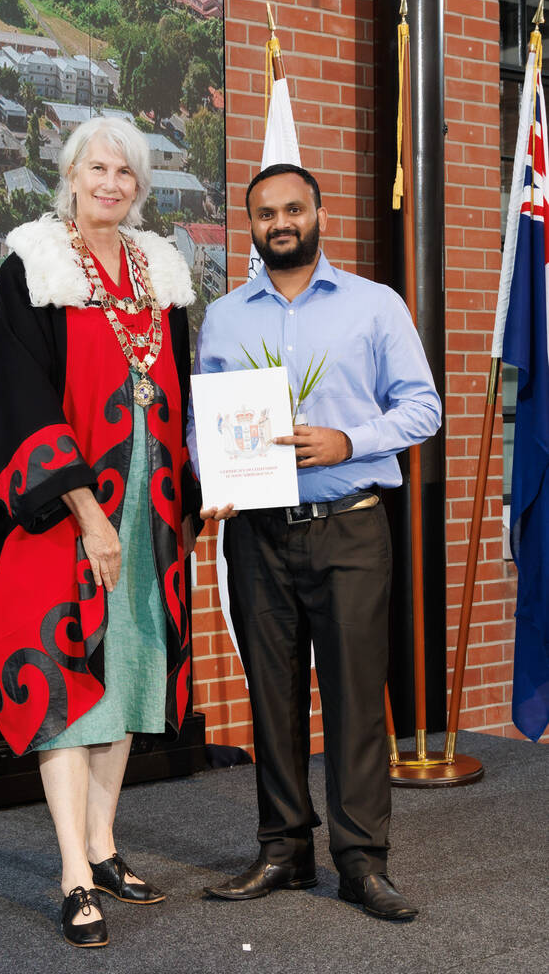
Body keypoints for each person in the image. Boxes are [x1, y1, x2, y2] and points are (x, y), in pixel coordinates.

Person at [188, 163, 441, 920]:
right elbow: (205, 423)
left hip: (351, 528)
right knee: (271, 697)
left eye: (292, 208)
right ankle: (283, 850)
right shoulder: (226, 316)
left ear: (318, 212)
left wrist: (347, 441)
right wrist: (213, 477)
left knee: (356, 701)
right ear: (252, 225)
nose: (280, 222)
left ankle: (361, 863)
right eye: (264, 213)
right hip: (256, 535)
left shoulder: (374, 305)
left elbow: (422, 408)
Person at [0, 116, 200, 947]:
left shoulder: (161, 271)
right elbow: (23, 395)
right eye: (97, 168)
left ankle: (105, 845)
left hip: (152, 506)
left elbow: (176, 385)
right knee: (66, 684)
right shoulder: (32, 265)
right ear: (70, 173)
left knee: (133, 670)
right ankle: (73, 874)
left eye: (126, 175)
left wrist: (203, 485)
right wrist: (87, 511)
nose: (112, 184)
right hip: (69, 507)